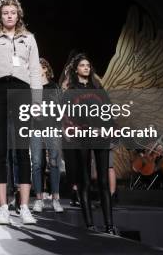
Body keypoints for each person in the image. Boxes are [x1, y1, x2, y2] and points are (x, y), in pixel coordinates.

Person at [0, 0, 41, 225]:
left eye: (13, 12)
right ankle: (3, 207)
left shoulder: (29, 40)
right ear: (0, 16)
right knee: (0, 150)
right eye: (5, 13)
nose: (9, 16)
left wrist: (37, 101)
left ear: (18, 15)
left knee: (22, 151)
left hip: (22, 90)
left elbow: (35, 71)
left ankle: (24, 207)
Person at [62, 53, 116, 234]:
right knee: (84, 180)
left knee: (103, 181)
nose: (86, 67)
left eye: (88, 65)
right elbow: (66, 117)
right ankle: (90, 225)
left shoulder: (99, 89)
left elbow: (108, 113)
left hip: (101, 136)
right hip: (82, 137)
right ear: (76, 69)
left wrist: (112, 130)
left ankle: (109, 226)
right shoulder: (70, 91)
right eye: (82, 65)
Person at [30, 58, 64, 213]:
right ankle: (39, 199)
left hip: (52, 128)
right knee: (37, 163)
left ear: (44, 69)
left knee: (54, 163)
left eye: (37, 66)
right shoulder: (31, 87)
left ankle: (56, 199)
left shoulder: (54, 87)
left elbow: (61, 109)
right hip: (35, 129)